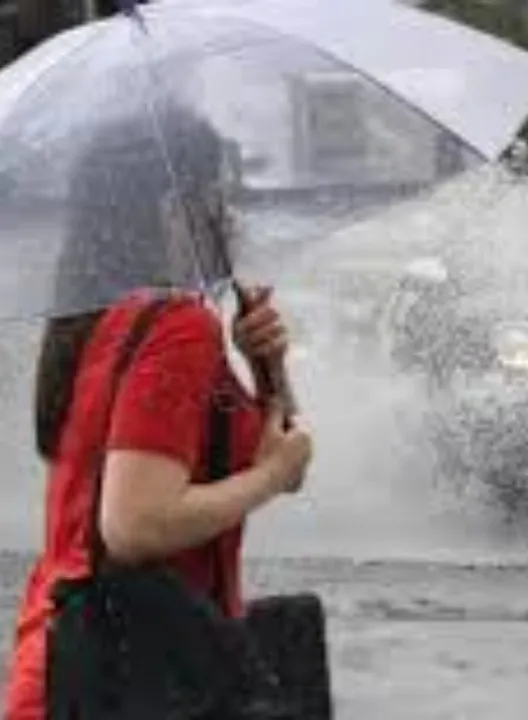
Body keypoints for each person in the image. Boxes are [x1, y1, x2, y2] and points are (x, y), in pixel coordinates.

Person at [3, 102, 314, 719]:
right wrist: (268, 480)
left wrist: (266, 369)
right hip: (136, 678)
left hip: (79, 665)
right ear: (174, 205)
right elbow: (135, 525)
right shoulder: (177, 328)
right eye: (216, 191)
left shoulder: (91, 321)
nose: (228, 213)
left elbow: (286, 458)